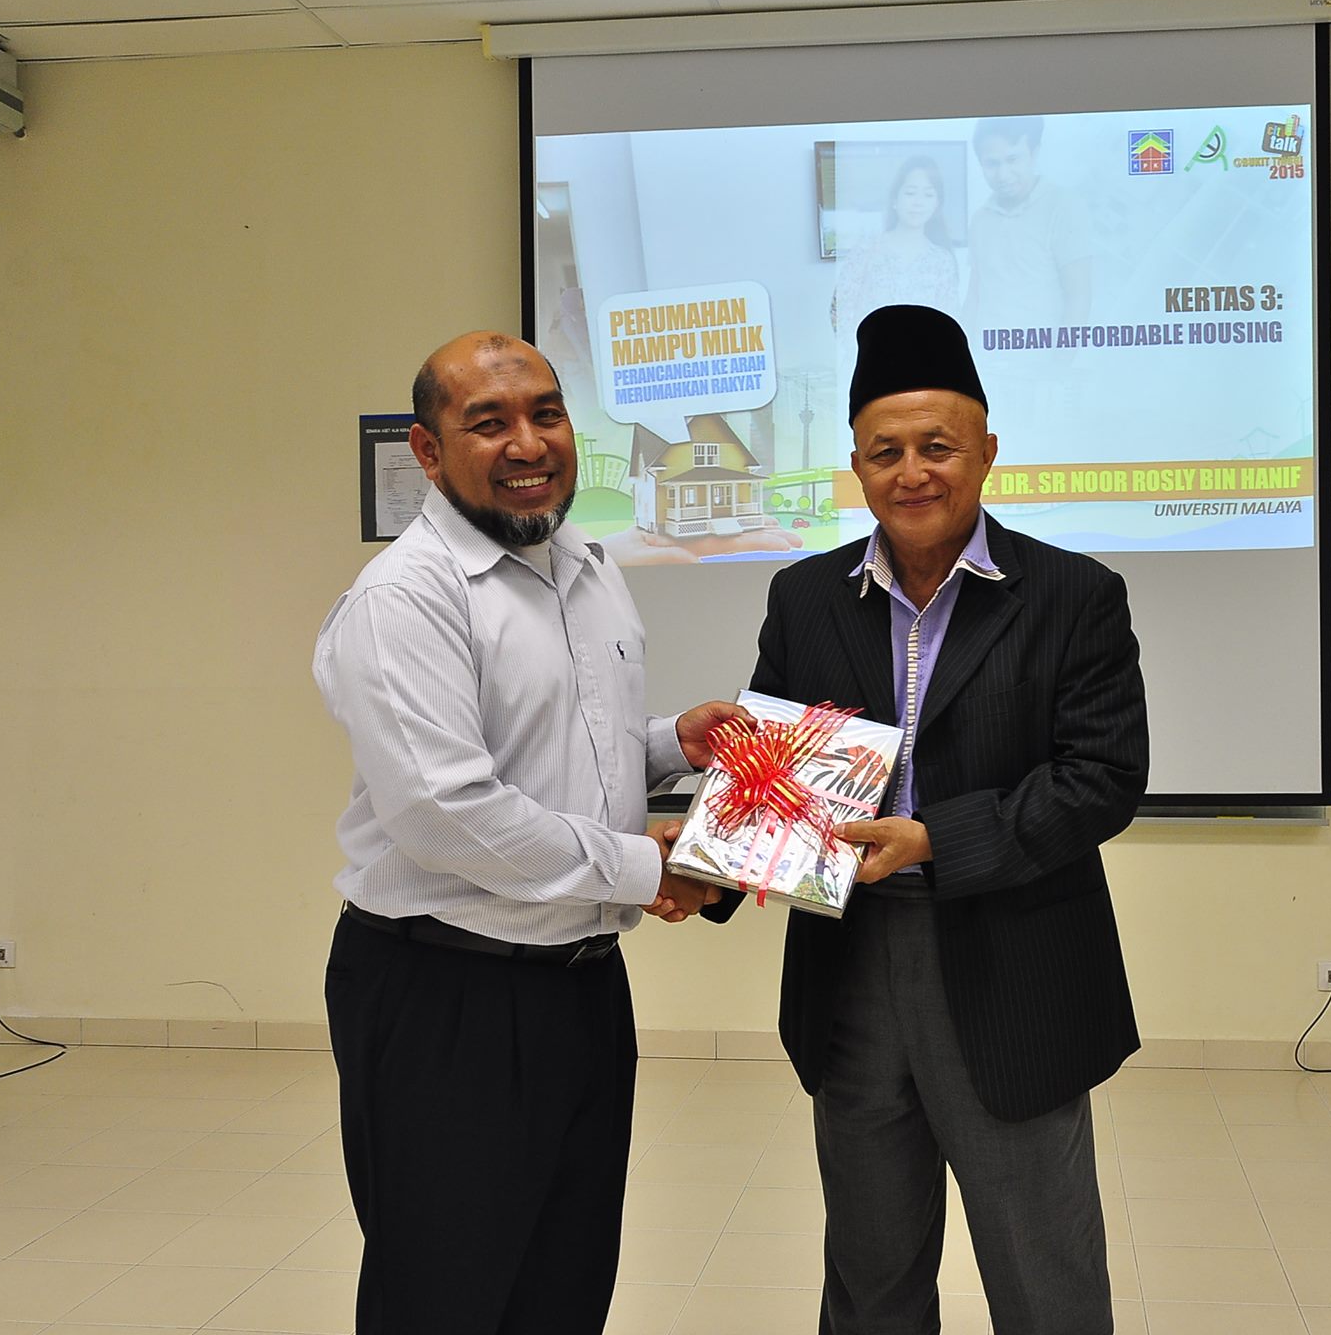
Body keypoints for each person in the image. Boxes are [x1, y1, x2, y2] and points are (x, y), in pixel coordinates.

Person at [312, 330, 742, 1335]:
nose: (527, 443)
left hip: (580, 988)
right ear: (427, 451)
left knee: (564, 1286)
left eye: (546, 414)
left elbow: (560, 750)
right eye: (489, 422)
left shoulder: (582, 562)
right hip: (445, 995)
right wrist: (645, 866)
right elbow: (447, 812)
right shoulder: (405, 598)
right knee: (445, 1297)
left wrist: (668, 744)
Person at [734, 304, 1149, 1334]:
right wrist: (712, 862)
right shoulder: (804, 597)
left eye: (937, 446)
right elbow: (771, 776)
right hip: (850, 971)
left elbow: (1101, 777)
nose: (912, 472)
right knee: (869, 1277)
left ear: (987, 452)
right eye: (886, 452)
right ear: (856, 467)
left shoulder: (1073, 595)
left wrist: (935, 840)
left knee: (1045, 1279)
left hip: (1014, 970)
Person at [961, 115, 1095, 333]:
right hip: (985, 351)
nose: (1003, 175)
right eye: (992, 163)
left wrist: (1064, 354)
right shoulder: (980, 219)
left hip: (1043, 351)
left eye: (1012, 159)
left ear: (1034, 153)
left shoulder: (1064, 206)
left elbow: (1078, 296)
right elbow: (974, 296)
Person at [831, 155, 961, 338]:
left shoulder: (942, 261)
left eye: (928, 195)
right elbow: (840, 312)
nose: (918, 202)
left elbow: (950, 322)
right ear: (895, 199)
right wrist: (858, 350)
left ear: (937, 204)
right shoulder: (865, 251)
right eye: (910, 193)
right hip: (871, 354)